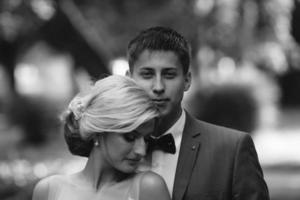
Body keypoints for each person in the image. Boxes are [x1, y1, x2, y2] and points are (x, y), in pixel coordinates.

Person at [126, 26, 270, 200]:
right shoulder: (111, 149)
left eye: (169, 75)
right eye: (147, 75)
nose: (158, 87)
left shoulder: (232, 149)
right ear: (129, 79)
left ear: (187, 80)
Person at [32, 75, 171, 200]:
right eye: (130, 137)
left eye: (146, 139)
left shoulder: (148, 188)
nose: (141, 151)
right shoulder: (49, 190)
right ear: (98, 132)